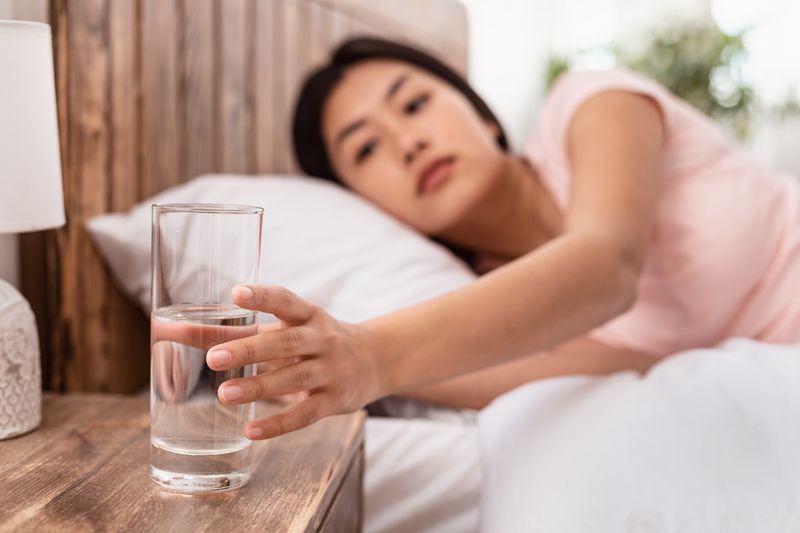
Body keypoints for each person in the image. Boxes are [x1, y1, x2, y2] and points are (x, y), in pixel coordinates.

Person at [202, 36, 800, 436]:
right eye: (366, 148)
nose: (408, 143)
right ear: (368, 205)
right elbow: (650, 369)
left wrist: (371, 354)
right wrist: (314, 371)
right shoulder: (494, 312)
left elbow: (606, 266)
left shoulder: (592, 103)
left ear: (482, 114)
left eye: (414, 104)